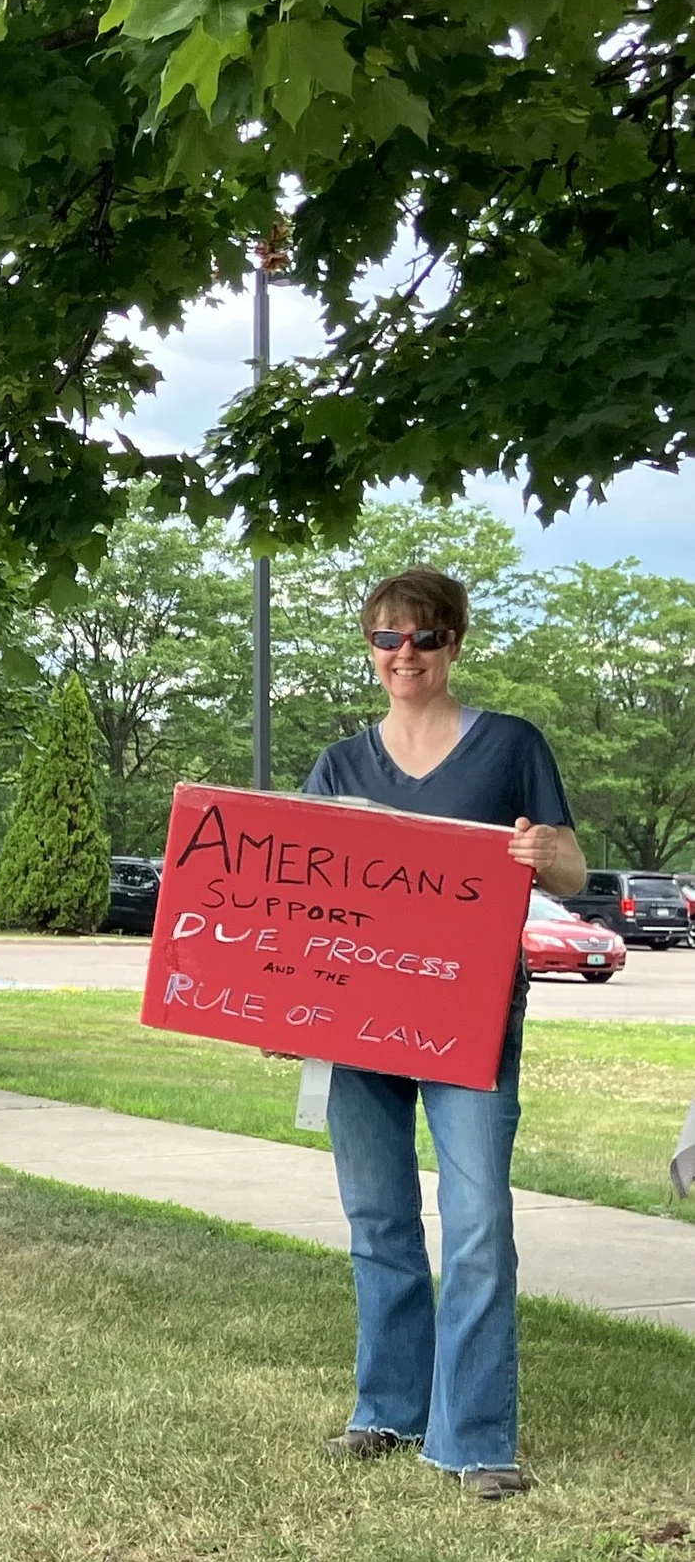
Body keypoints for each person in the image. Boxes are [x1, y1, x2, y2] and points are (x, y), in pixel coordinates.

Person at [304, 566, 584, 1501]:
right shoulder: (340, 766)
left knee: (477, 1224)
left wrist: (549, 854)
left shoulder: (510, 745)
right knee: (378, 1218)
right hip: (356, 1020)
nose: (405, 654)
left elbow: (575, 868)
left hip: (469, 1018)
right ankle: (386, 1406)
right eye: (387, 638)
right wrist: (277, 1004)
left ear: (454, 642)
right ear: (370, 649)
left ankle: (473, 1435)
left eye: (423, 636)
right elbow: (302, 905)